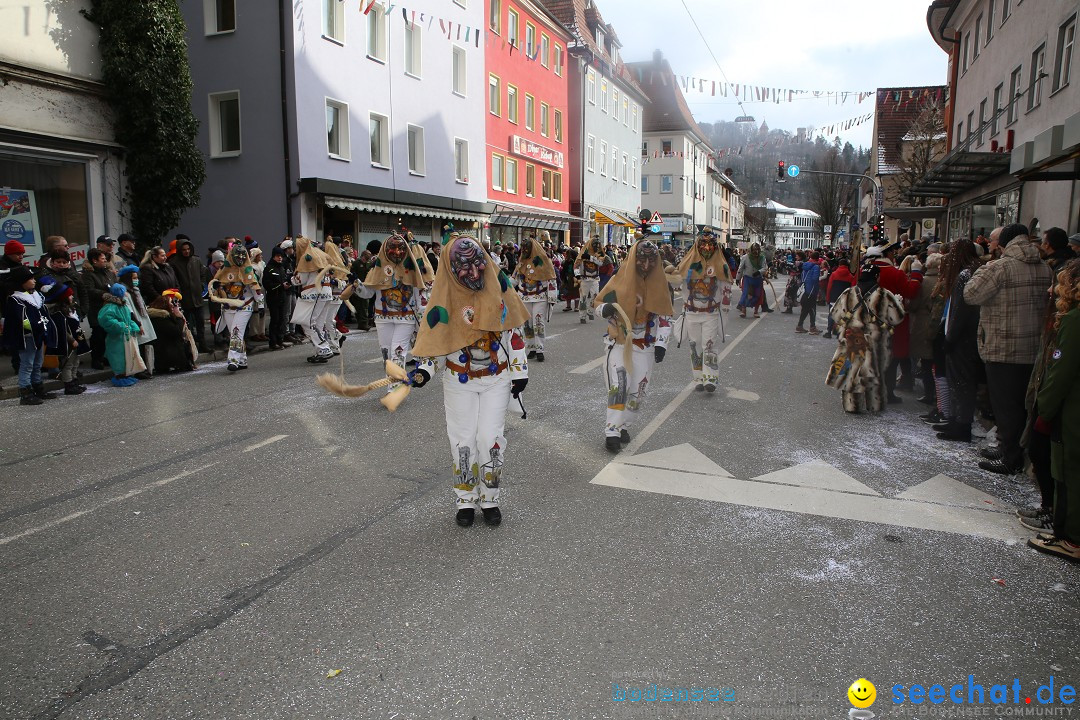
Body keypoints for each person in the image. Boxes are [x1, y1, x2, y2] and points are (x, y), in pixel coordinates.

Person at [411, 234, 529, 528]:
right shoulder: (443, 298)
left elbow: (514, 334)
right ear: (450, 268)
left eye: (477, 262)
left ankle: (490, 499)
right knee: (463, 441)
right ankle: (465, 500)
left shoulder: (500, 289)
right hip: (457, 380)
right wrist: (425, 369)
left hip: (496, 378)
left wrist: (519, 372)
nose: (473, 271)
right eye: (463, 265)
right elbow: (435, 339)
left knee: (490, 438)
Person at [964, 223, 1054, 474]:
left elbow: (971, 294)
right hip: (1033, 346)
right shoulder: (1045, 267)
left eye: (994, 241)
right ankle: (1010, 446)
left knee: (1005, 405)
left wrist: (985, 269)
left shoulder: (1001, 267)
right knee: (1022, 404)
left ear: (1004, 242)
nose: (991, 246)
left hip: (1003, 345)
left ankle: (1010, 455)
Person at [595, 239, 674, 453]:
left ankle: (624, 426)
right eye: (641, 259)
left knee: (638, 392)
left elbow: (665, 316)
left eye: (651, 260)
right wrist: (606, 309)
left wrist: (661, 343)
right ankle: (612, 431)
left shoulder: (662, 286)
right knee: (619, 387)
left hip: (645, 346)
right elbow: (599, 304)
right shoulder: (618, 280)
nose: (646, 265)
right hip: (619, 343)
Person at [1026, 258, 1080, 560]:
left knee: (1068, 472)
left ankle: (1070, 537)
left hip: (1070, 412)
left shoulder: (1073, 320)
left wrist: (1044, 406)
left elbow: (1061, 371)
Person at [826, 250, 907, 414]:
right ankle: (874, 404)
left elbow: (835, 314)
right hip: (876, 339)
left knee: (852, 372)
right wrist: (899, 303)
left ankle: (851, 404)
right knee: (873, 372)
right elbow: (897, 318)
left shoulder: (849, 293)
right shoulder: (884, 295)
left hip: (852, 336)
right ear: (877, 278)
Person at [934, 239, 982, 443]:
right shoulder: (974, 271)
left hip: (961, 337)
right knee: (960, 381)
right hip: (968, 335)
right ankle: (956, 420)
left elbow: (960, 310)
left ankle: (960, 424)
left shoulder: (964, 275)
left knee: (961, 381)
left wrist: (950, 336)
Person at [676, 227, 731, 392]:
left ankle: (710, 379)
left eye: (710, 244)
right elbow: (675, 284)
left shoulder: (721, 266)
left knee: (709, 344)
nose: (707, 248)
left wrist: (725, 310)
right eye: (703, 244)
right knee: (695, 346)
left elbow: (725, 290)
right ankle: (698, 378)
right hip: (692, 313)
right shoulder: (687, 265)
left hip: (710, 314)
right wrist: (670, 275)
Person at [362, 233, 426, 373]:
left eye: (401, 248)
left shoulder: (412, 268)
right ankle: (392, 387)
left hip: (406, 319)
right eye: (393, 248)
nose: (397, 252)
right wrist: (356, 285)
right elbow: (367, 293)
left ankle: (395, 390)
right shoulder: (377, 269)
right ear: (385, 249)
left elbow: (420, 297)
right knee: (387, 356)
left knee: (398, 354)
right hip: (383, 318)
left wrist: (422, 322)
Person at [2, 265, 56, 404]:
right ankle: (25, 392)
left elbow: (42, 313)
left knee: (37, 363)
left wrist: (45, 327)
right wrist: (36, 326)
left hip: (37, 335)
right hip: (26, 337)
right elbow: (21, 320)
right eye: (30, 279)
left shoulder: (35, 295)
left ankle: (37, 387)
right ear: (21, 282)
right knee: (27, 364)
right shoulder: (15, 299)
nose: (34, 281)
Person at [209, 243, 265, 372]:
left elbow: (256, 289)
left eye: (242, 256)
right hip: (228, 307)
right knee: (235, 334)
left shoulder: (249, 271)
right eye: (237, 256)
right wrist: (217, 288)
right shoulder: (223, 270)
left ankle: (233, 360)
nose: (240, 259)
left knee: (236, 332)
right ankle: (242, 359)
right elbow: (215, 287)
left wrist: (261, 305)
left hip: (244, 306)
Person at [512, 233, 558, 362]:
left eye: (527, 248)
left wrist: (552, 298)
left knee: (538, 323)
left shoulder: (543, 262)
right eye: (523, 248)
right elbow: (514, 279)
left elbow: (551, 280)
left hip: (540, 297)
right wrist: (502, 284)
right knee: (527, 324)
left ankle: (540, 349)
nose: (525, 251)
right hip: (524, 297)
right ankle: (531, 347)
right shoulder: (521, 262)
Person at [39, 276, 87, 395]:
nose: (72, 297)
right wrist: (71, 340)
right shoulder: (58, 313)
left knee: (76, 362)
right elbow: (62, 330)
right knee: (68, 364)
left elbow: (76, 326)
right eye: (70, 295)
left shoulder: (71, 309)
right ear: (63, 298)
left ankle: (75, 381)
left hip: (77, 340)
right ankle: (69, 384)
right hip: (68, 343)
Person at [168, 237, 210, 351]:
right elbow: (174, 279)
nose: (186, 251)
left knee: (200, 323)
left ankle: (203, 344)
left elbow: (203, 273)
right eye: (184, 249)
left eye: (188, 249)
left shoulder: (196, 260)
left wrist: (201, 285)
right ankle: (190, 346)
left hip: (197, 296)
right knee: (187, 324)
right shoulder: (174, 263)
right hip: (184, 297)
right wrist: (179, 293)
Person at [97, 283, 142, 387]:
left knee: (126, 356)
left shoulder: (122, 305)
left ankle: (125, 374)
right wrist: (122, 326)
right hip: (117, 337)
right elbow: (106, 320)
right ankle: (119, 376)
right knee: (118, 357)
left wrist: (134, 327)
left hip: (125, 336)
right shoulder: (110, 307)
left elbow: (128, 319)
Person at [117, 264, 157, 378]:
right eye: (134, 278)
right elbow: (129, 310)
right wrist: (138, 324)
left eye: (136, 278)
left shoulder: (135, 290)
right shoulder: (125, 293)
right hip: (135, 321)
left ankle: (146, 368)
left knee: (145, 344)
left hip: (142, 319)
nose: (136, 280)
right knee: (138, 346)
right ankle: (140, 370)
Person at [80, 248, 117, 370]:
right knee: (98, 335)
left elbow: (115, 284)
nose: (105, 261)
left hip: (110, 307)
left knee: (108, 334)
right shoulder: (88, 274)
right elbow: (89, 290)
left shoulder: (108, 272)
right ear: (94, 261)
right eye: (102, 259)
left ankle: (106, 357)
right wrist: (105, 293)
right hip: (97, 308)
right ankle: (96, 359)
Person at [146, 290, 198, 372]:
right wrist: (179, 317)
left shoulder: (164, 316)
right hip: (164, 351)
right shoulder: (160, 317)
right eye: (171, 303)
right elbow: (177, 332)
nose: (173, 305)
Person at [262, 246, 292, 350]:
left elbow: (285, 279)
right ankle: (273, 342)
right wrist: (280, 286)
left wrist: (288, 284)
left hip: (282, 297)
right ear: (274, 256)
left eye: (281, 256)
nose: (280, 258)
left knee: (282, 320)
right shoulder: (269, 268)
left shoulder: (281, 268)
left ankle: (280, 340)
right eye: (278, 256)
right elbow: (267, 284)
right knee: (275, 320)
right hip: (273, 298)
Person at [823, 257, 855, 339]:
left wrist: (827, 297)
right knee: (842, 316)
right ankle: (839, 332)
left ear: (839, 265)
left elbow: (829, 287)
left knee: (831, 315)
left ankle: (829, 331)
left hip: (834, 297)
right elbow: (851, 289)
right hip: (844, 299)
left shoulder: (834, 274)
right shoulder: (851, 276)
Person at [575, 236, 604, 323]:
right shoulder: (582, 254)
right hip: (585, 279)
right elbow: (576, 265)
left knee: (595, 297)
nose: (596, 247)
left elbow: (600, 263)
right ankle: (582, 316)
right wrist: (577, 276)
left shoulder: (598, 254)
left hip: (595, 279)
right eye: (594, 245)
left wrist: (591, 258)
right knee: (583, 298)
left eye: (597, 245)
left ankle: (590, 311)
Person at [735, 243, 766, 318]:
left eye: (758, 250)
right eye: (754, 250)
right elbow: (741, 268)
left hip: (758, 279)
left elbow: (764, 268)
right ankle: (743, 311)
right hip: (748, 279)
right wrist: (738, 278)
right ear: (751, 250)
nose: (756, 252)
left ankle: (756, 312)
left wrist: (759, 272)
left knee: (758, 295)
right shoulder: (745, 257)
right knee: (745, 294)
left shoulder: (762, 258)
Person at [795, 251, 822, 334]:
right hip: (812, 290)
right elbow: (815, 279)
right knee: (812, 309)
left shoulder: (805, 265)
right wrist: (817, 290)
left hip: (804, 290)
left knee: (806, 309)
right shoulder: (816, 267)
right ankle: (812, 328)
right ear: (817, 258)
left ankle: (800, 326)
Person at [560, 248, 579, 312]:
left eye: (569, 254)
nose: (567, 256)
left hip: (575, 278)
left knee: (576, 292)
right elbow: (564, 270)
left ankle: (576, 307)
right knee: (568, 292)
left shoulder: (576, 261)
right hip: (568, 278)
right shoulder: (566, 262)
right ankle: (568, 306)